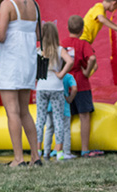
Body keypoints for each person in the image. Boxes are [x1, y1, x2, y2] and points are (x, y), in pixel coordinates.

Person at [0, 0, 41, 167]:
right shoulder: (34, 5)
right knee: (24, 111)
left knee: (11, 111)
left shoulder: (7, 5)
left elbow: (1, 36)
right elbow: (37, 34)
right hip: (27, 61)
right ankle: (35, 155)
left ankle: (18, 157)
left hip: (10, 62)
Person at [65, 14, 102, 157]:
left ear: (67, 28)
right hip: (81, 84)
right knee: (84, 116)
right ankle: (85, 148)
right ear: (82, 30)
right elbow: (92, 58)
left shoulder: (63, 43)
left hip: (67, 84)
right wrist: (87, 71)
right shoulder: (83, 44)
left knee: (65, 117)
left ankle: (63, 147)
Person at [35, 22, 72, 161]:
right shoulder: (59, 49)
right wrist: (61, 74)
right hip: (56, 87)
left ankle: (38, 149)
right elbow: (69, 61)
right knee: (58, 119)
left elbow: (37, 69)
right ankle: (60, 151)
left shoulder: (39, 50)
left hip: (42, 86)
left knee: (40, 119)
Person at [42, 73, 77, 161]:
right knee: (65, 129)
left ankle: (46, 152)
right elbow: (74, 88)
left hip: (50, 107)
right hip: (64, 108)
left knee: (49, 129)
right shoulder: (68, 76)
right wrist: (70, 98)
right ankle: (65, 152)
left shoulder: (49, 75)